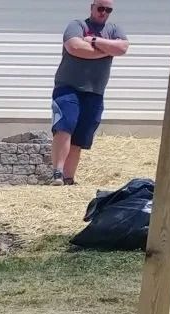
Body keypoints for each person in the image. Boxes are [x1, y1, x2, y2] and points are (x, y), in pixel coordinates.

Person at [51, 2, 129, 185]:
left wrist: (95, 42)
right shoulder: (77, 25)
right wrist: (107, 51)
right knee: (65, 125)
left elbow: (123, 48)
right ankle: (57, 173)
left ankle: (69, 178)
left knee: (81, 134)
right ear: (92, 7)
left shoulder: (114, 29)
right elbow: (75, 48)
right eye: (100, 8)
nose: (103, 13)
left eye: (108, 10)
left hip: (95, 91)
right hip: (68, 87)